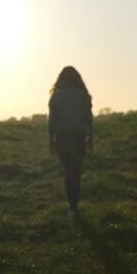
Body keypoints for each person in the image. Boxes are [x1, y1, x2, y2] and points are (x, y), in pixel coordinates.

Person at [48, 66, 93, 217]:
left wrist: (50, 139)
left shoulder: (57, 95)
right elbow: (88, 117)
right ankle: (74, 206)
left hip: (62, 137)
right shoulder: (83, 95)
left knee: (68, 171)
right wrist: (91, 137)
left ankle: (71, 207)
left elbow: (52, 120)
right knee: (76, 172)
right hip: (78, 137)